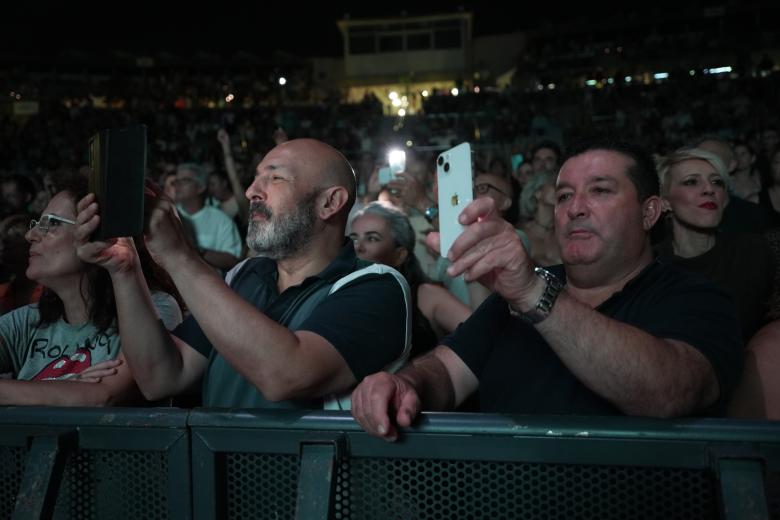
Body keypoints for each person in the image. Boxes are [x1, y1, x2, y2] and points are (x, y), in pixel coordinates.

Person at [351, 138, 743, 441]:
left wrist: (534, 294)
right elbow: (446, 372)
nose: (576, 208)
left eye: (600, 190)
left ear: (649, 212)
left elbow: (669, 393)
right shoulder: (517, 292)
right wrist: (405, 384)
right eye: (564, 196)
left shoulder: (695, 297)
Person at [76, 139, 410, 409]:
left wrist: (180, 256)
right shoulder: (244, 276)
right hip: (219, 487)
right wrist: (125, 269)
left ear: (330, 202)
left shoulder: (377, 286)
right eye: (255, 178)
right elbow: (160, 377)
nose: (252, 191)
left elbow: (286, 376)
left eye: (275, 178)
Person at [0, 174, 183, 406]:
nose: (31, 235)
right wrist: (67, 385)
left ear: (100, 233)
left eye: (51, 223)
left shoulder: (155, 308)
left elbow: (103, 396)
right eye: (37, 224)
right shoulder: (26, 321)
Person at [655, 147, 775, 342]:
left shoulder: (756, 251)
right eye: (691, 182)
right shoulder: (650, 268)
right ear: (665, 202)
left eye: (717, 182)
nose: (709, 189)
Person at [350, 202, 470, 357]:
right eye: (353, 239)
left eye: (372, 238)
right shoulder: (337, 293)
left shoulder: (427, 296)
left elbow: (484, 334)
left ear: (399, 255)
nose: (358, 247)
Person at [174, 162, 242, 272]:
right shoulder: (169, 216)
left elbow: (233, 260)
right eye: (176, 181)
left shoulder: (221, 221)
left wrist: (196, 249)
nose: (178, 185)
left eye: (185, 180)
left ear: (201, 187)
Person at [519, 171, 561, 266]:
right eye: (554, 185)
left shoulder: (565, 233)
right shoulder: (521, 235)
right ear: (538, 193)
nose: (561, 190)